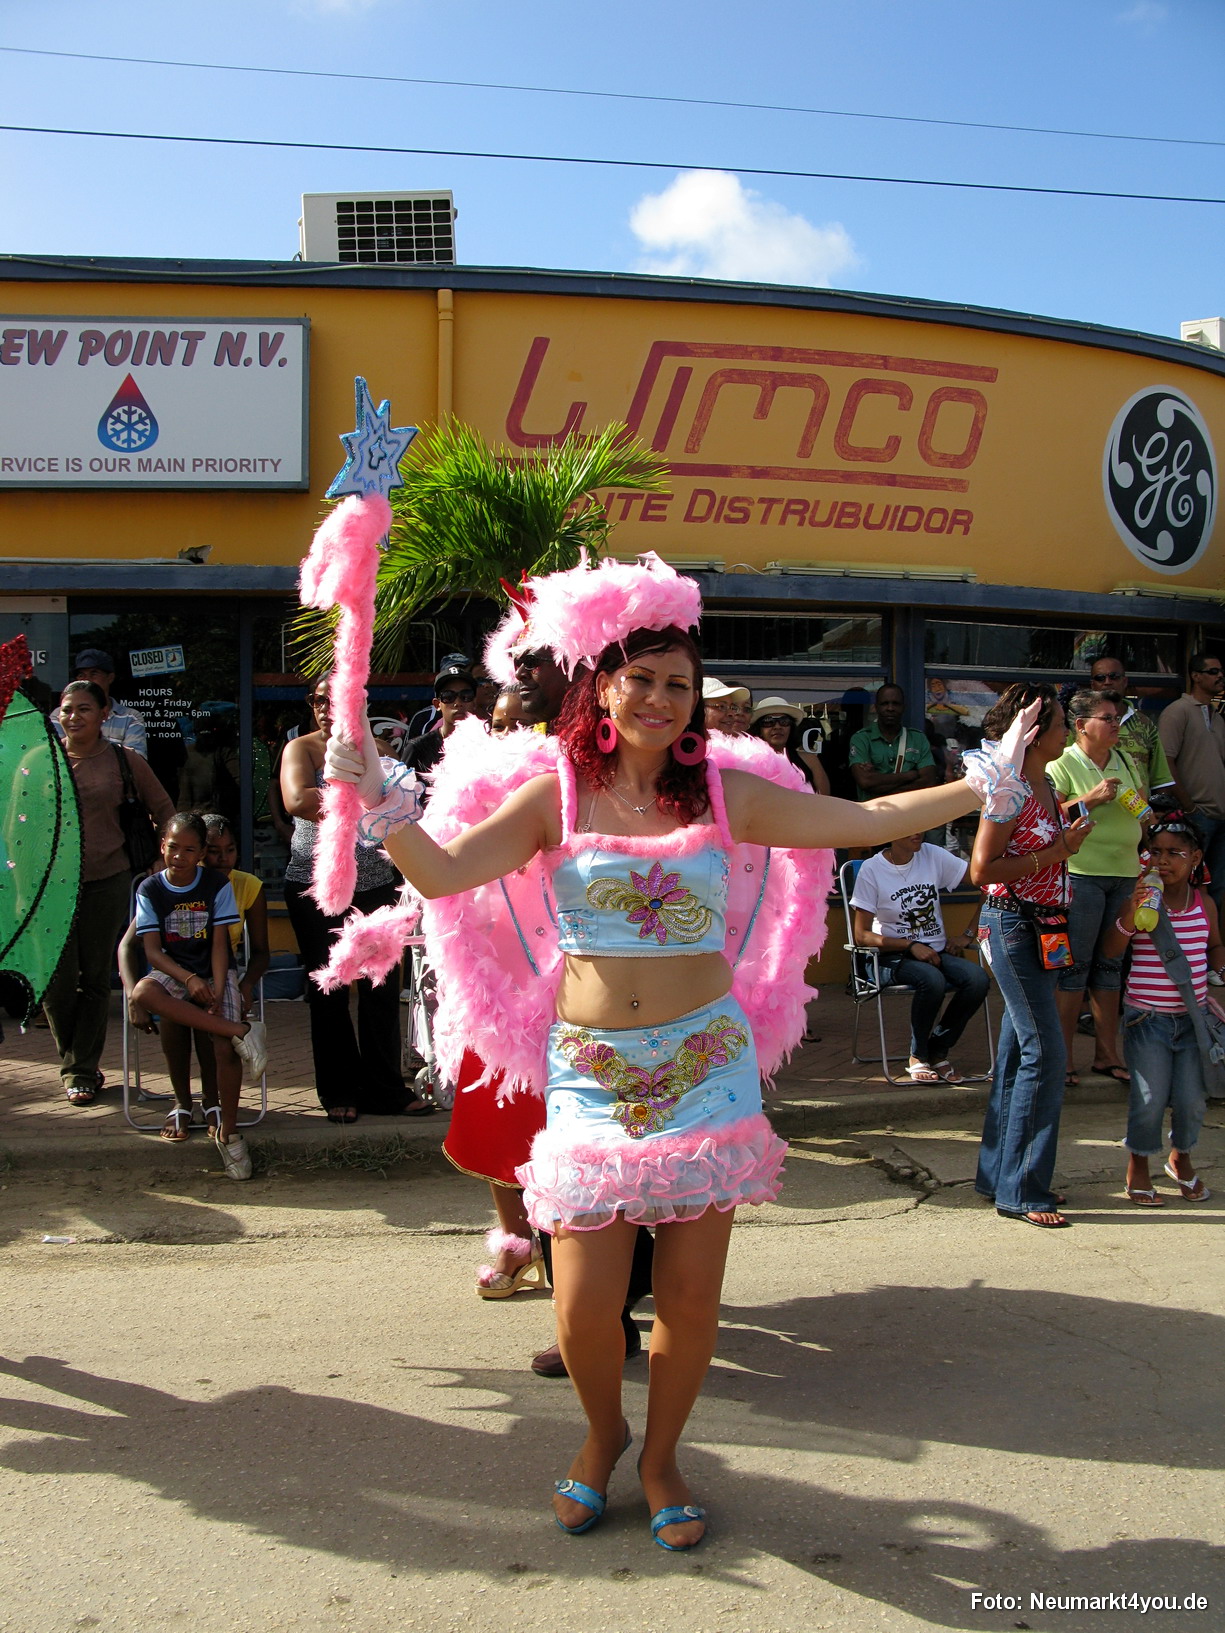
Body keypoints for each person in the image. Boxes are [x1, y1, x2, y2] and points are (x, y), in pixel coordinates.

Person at [326, 557, 1005, 1549]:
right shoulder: (556, 794)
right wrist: (379, 798)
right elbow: (441, 871)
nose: (658, 697)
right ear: (602, 687)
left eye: (678, 684)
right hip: (591, 1073)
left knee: (689, 1297)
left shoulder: (723, 796)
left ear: (694, 702)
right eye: (640, 678)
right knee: (583, 1304)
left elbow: (864, 821)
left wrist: (981, 784)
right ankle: (601, 1432)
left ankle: (661, 1457)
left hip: (704, 1069)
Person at [279, 676, 432, 1123]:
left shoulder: (378, 751)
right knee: (329, 990)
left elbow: (404, 801)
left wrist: (368, 792)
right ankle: (339, 1090)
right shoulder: (301, 750)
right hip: (316, 887)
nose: (326, 707)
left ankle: (385, 1090)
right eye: (319, 700)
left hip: (377, 885)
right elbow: (297, 800)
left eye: (337, 700)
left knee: (379, 988)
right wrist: (364, 793)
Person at [971, 683, 1094, 1228]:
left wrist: (1069, 834)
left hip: (1043, 926)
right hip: (1013, 924)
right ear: (1037, 732)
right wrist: (1058, 851)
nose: (1069, 732)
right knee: (1045, 1053)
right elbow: (981, 870)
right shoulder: (1011, 786)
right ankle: (1023, 1190)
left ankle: (1000, 1177)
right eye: (1064, 723)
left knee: (1021, 1053)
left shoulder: (1045, 783)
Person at [43, 680, 175, 1105]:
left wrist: (163, 858)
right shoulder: (41, 761)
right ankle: (76, 1058)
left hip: (108, 878)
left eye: (84, 709)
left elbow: (164, 809)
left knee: (95, 977)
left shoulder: (124, 760)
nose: (73, 717)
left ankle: (80, 1070)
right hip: (50, 887)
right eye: (67, 709)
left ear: (103, 715)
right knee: (57, 982)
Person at [127, 813, 267, 1178]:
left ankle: (229, 1134)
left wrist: (219, 989)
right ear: (162, 846)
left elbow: (220, 945)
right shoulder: (150, 889)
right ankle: (242, 1031)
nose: (180, 856)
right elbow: (152, 952)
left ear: (201, 853)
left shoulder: (216, 884)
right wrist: (189, 980)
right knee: (143, 991)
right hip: (175, 971)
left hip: (216, 971)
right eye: (173, 847)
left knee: (223, 1049)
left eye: (190, 850)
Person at [1103, 815, 1223, 1206]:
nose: (1163, 861)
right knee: (1150, 1097)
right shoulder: (1140, 900)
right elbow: (1111, 951)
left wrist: (1219, 970)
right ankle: (1138, 1164)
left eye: (1174, 853)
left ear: (1195, 858)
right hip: (1146, 1019)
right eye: (1155, 852)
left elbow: (1214, 946)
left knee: (1191, 1099)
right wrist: (1130, 913)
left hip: (1193, 1020)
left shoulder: (1204, 903)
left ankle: (1180, 1158)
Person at [1050, 689, 1145, 1087]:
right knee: (1075, 968)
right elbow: (1051, 817)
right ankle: (1063, 1059)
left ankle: (1107, 1056)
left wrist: (1143, 812)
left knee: (1111, 966)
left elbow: (1140, 805)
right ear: (1081, 725)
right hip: (1082, 874)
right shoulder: (1062, 763)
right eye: (1106, 718)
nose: (1115, 724)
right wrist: (1089, 799)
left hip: (1125, 873)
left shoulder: (1124, 759)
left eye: (1116, 717)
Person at [851, 832, 989, 1083]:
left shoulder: (932, 855)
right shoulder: (872, 870)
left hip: (935, 953)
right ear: (892, 831)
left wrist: (968, 934)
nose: (918, 833)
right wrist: (910, 945)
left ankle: (938, 1049)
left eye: (921, 827)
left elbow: (986, 880)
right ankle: (918, 1055)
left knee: (978, 979)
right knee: (932, 979)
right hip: (888, 958)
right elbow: (861, 936)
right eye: (910, 827)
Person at [1159, 653, 1225, 910]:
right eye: (1213, 671)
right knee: (1187, 882)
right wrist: (1189, 807)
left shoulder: (1217, 717)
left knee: (1217, 886)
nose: (1220, 676)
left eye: (1221, 671)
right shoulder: (1178, 711)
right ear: (1196, 676)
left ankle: (1208, 934)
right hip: (1196, 815)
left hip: (1219, 815)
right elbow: (1165, 762)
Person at [1086, 654, 1174, 803]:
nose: (1107, 682)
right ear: (1092, 685)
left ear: (1125, 681)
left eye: (1114, 676)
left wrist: (1158, 810)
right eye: (1100, 678)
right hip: (1093, 811)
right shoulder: (1079, 724)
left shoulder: (1145, 725)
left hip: (1138, 812)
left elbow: (1161, 780)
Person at [849, 684, 939, 801]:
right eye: (884, 703)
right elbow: (865, 781)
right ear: (876, 707)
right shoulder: (862, 739)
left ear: (903, 707)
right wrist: (910, 775)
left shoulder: (918, 739)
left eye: (896, 704)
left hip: (909, 810)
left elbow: (928, 782)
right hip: (873, 811)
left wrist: (879, 785)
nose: (890, 708)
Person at [51, 648, 148, 757]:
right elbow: (54, 757)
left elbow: (135, 760)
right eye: (81, 675)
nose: (87, 680)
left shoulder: (130, 718)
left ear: (110, 678)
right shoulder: (59, 715)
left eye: (94, 674)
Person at [400, 663, 475, 784]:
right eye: (448, 697)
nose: (458, 703)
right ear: (437, 704)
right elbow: (402, 791)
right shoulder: (417, 748)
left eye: (466, 696)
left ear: (474, 702)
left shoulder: (488, 745)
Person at [749, 696, 830, 794]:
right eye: (768, 722)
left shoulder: (809, 760)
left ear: (791, 728)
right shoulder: (748, 761)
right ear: (759, 729)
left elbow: (824, 797)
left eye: (784, 721)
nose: (777, 726)